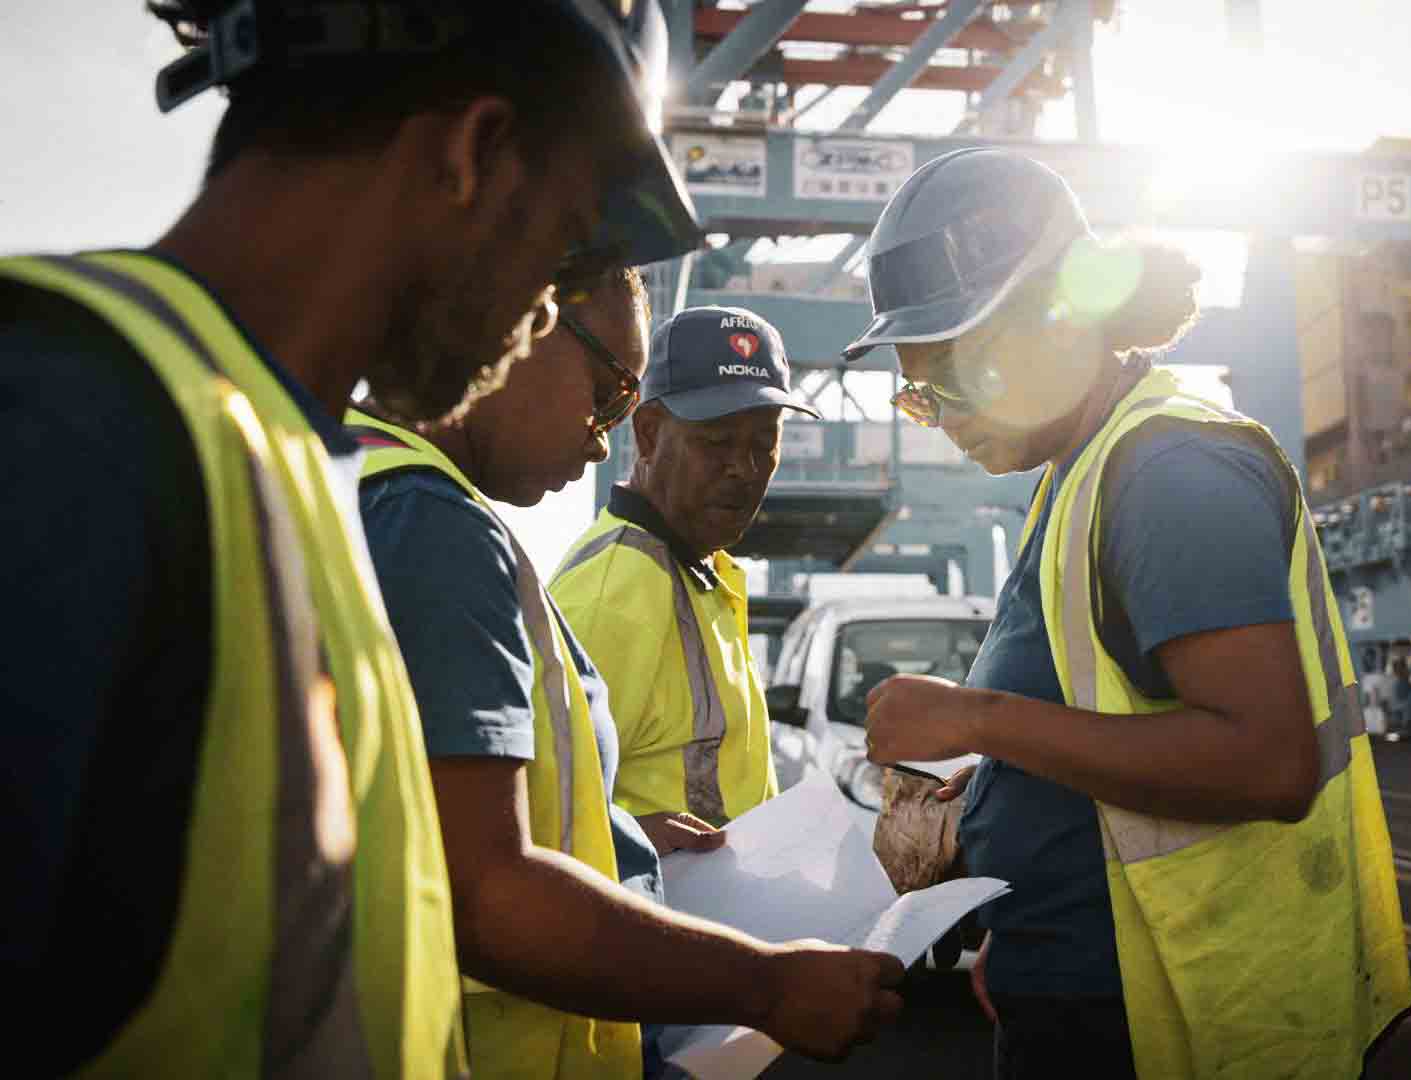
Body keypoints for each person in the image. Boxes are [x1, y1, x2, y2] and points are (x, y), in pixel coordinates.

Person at [0, 2, 697, 1074]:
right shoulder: (63, 426)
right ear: (473, 152)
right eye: (561, 250)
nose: (537, 318)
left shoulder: (288, 462)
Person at [849, 148, 1411, 1079]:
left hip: (1178, 1014)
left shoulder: (1168, 473)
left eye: (942, 383)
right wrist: (1004, 831)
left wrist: (975, 718)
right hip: (1094, 989)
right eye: (916, 396)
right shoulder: (1084, 470)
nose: (937, 416)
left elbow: (1267, 763)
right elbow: (1114, 727)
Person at [350, 272, 903, 1078]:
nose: (600, 438)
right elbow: (485, 887)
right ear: (521, 324)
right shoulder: (447, 534)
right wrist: (764, 986)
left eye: (764, 446)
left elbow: (468, 814)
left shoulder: (365, 486)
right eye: (608, 394)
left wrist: (627, 834)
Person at [551, 306, 819, 826]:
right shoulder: (614, 599)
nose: (743, 468)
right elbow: (543, 819)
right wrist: (634, 845)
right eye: (716, 442)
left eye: (764, 444)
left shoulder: (701, 573)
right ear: (647, 434)